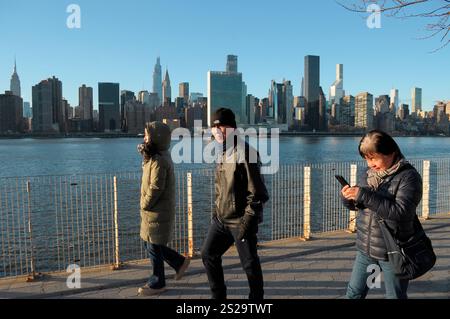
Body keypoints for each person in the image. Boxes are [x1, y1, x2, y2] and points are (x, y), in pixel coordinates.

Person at [341, 130, 422, 299]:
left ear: (391, 152)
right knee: (354, 294)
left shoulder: (409, 177)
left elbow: (401, 212)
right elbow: (361, 206)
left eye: (374, 157)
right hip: (367, 249)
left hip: (392, 252)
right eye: (366, 158)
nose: (370, 163)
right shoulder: (368, 174)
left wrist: (363, 195)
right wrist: (348, 198)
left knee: (394, 296)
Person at [201, 108, 269, 300]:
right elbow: (220, 188)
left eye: (222, 126)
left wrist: (248, 221)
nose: (218, 131)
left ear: (232, 128)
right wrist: (216, 212)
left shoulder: (246, 152)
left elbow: (258, 193)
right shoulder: (223, 152)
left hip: (240, 220)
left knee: (249, 264)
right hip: (222, 220)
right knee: (208, 254)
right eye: (214, 127)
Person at [137, 121, 190, 296]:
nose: (144, 138)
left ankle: (158, 282)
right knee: (151, 244)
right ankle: (179, 262)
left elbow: (155, 188)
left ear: (156, 138)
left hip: (156, 210)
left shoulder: (159, 160)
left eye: (147, 135)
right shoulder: (156, 156)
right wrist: (146, 153)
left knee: (153, 245)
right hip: (154, 211)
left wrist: (144, 203)